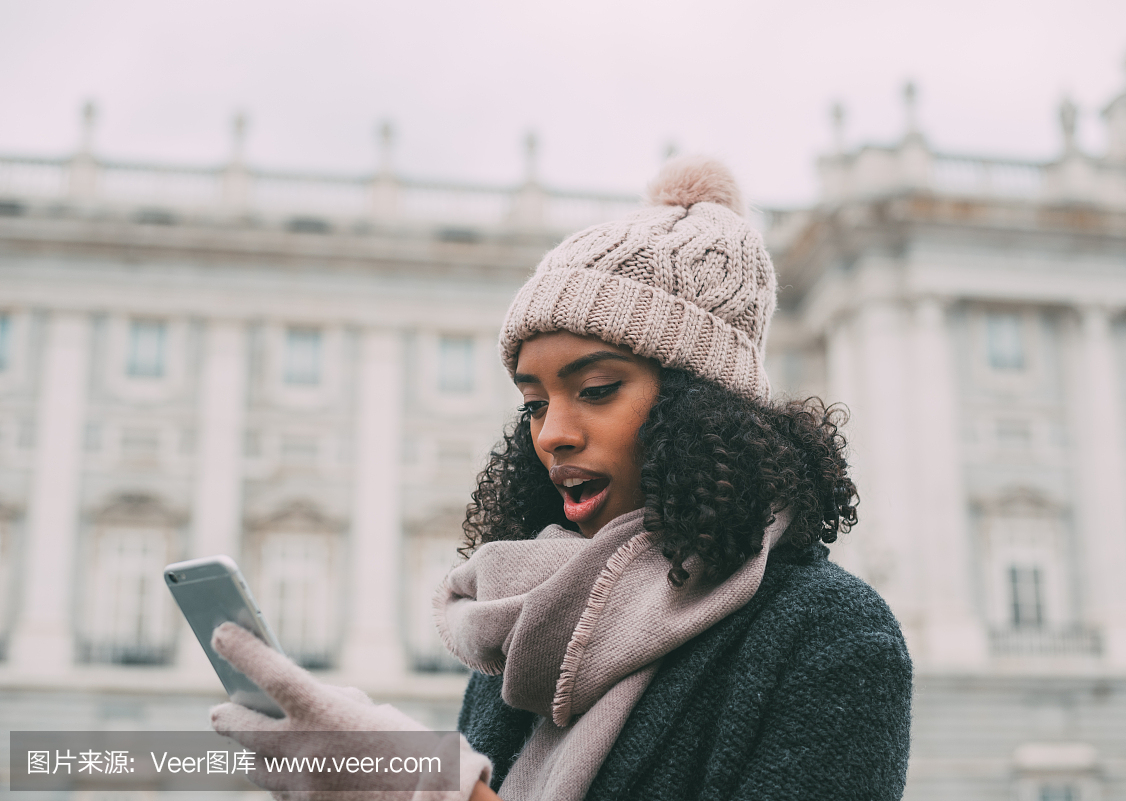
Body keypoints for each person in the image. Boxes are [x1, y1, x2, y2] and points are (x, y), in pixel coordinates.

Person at [210, 156, 912, 801]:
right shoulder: (523, 629)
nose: (552, 434)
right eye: (535, 403)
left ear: (704, 404)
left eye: (598, 389)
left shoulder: (831, 636)